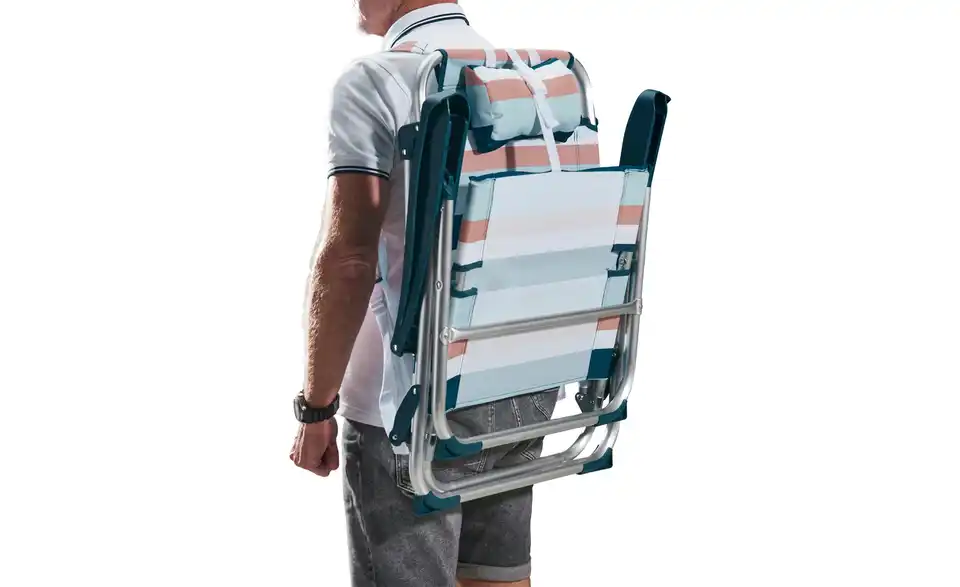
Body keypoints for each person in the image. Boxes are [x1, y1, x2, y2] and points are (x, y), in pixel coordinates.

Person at [289, 1, 559, 586]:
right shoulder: (531, 81)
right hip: (522, 383)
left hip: (411, 409)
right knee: (498, 578)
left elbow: (349, 259)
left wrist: (316, 407)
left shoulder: (378, 80)